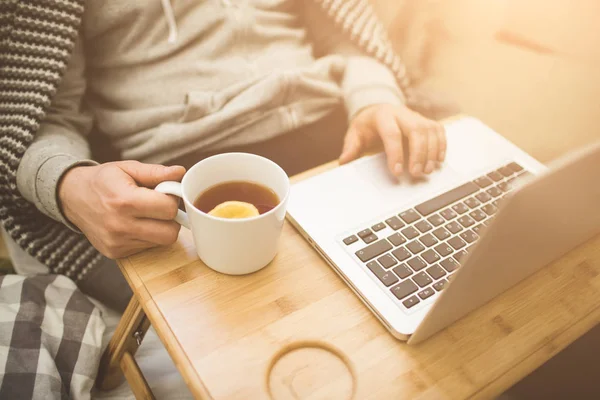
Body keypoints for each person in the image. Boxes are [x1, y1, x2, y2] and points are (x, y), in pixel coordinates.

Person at [2, 0, 447, 311]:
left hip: (341, 132)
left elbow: (346, 38)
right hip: (188, 169)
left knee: (437, 280)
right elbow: (37, 113)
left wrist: (376, 98)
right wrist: (66, 183)